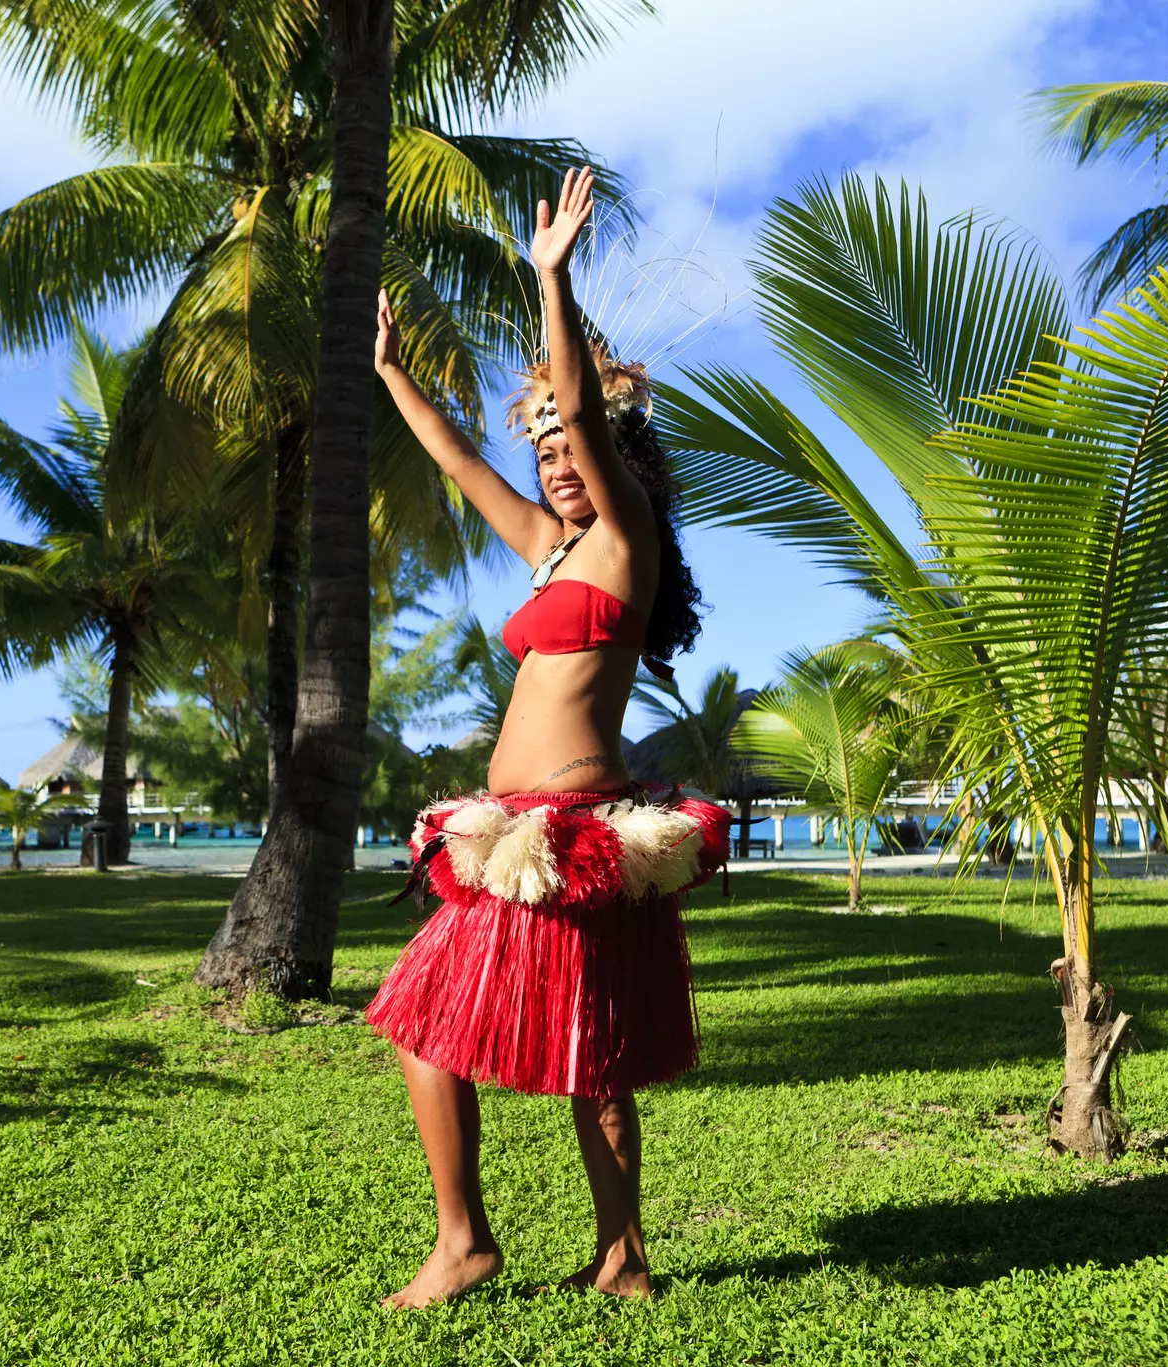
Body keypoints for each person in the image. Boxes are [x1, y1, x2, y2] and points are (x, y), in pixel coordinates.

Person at [366, 168, 729, 1308]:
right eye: (547, 457)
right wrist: (391, 378)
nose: (556, 463)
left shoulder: (626, 543)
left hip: (576, 836)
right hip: (507, 837)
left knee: (596, 1062)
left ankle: (620, 1255)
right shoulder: (553, 549)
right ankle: (465, 1237)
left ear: (619, 459)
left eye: (576, 451)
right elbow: (461, 464)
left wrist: (551, 280)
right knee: (425, 1027)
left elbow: (575, 408)